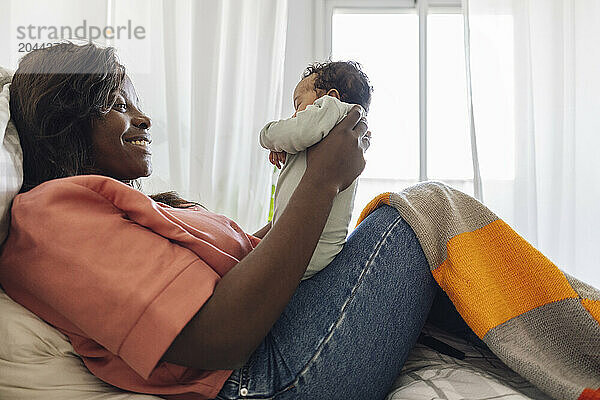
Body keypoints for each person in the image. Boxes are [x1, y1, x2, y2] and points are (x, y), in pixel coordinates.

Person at [0, 42, 443, 400]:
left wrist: (316, 186)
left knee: (393, 225)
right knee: (420, 212)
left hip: (278, 343)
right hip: (267, 378)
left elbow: (257, 254)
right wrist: (322, 181)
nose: (144, 118)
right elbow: (218, 340)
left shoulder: (120, 208)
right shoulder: (49, 217)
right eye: (117, 105)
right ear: (66, 123)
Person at [259, 61, 373, 280]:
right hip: (313, 250)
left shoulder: (335, 109)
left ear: (330, 96)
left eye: (298, 104)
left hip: (307, 248)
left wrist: (268, 136)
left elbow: (298, 131)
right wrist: (285, 146)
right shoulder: (342, 132)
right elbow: (300, 137)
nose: (294, 115)